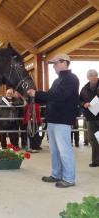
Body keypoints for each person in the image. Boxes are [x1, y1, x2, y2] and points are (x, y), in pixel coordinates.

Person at [27, 53, 79, 188]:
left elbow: (58, 96)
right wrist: (32, 96)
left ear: (64, 62)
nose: (54, 66)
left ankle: (69, 178)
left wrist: (37, 94)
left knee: (64, 150)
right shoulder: (57, 81)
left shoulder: (71, 79)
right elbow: (49, 97)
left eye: (55, 63)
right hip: (53, 119)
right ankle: (56, 174)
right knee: (54, 150)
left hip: (63, 119)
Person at [79, 69, 99, 167]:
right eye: (91, 76)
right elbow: (79, 101)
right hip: (91, 118)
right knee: (93, 139)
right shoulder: (84, 89)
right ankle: (96, 161)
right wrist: (84, 104)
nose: (93, 77)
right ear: (88, 78)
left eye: (95, 75)